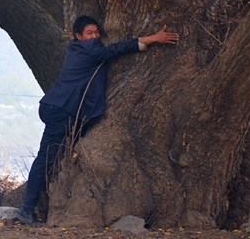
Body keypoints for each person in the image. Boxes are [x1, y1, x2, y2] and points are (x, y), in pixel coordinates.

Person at [16, 15, 179, 226]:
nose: (95, 37)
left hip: (59, 108)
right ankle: (26, 209)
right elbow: (114, 50)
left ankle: (31, 207)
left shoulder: (77, 48)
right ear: (78, 36)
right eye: (89, 34)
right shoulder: (89, 48)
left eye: (96, 33)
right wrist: (152, 38)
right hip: (61, 110)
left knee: (54, 157)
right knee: (46, 159)